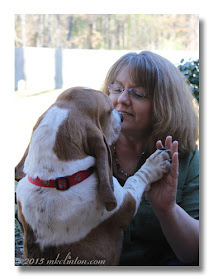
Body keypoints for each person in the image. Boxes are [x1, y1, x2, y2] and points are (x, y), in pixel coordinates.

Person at [101, 51, 199, 266]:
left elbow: (197, 255)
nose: (122, 100)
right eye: (117, 89)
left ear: (164, 105)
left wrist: (167, 209)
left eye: (138, 94)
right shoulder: (90, 149)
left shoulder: (186, 159)